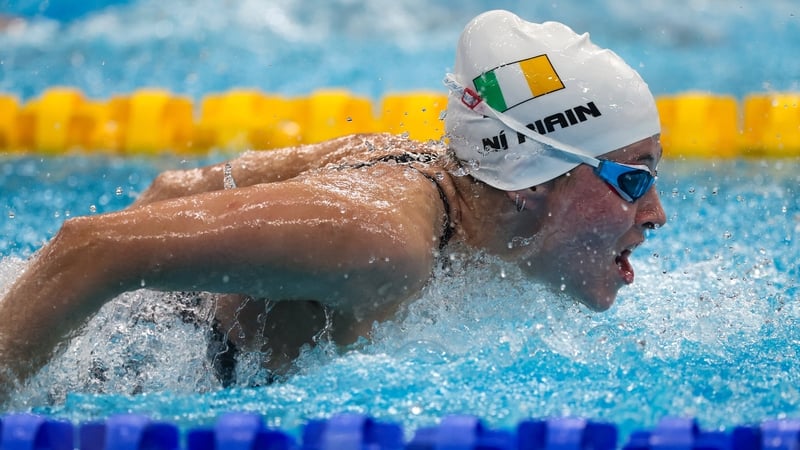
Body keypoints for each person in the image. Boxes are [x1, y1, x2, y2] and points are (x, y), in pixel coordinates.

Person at [0, 10, 666, 395]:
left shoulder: (420, 173)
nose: (656, 212)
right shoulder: (381, 239)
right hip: (107, 365)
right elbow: (93, 248)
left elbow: (174, 192)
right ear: (534, 181)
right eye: (634, 179)